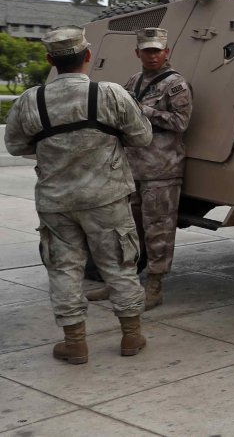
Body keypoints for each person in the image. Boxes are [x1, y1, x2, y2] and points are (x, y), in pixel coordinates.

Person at [4, 26, 153, 364]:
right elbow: (142, 137)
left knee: (64, 270)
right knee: (119, 265)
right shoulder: (111, 94)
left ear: (49, 60)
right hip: (107, 198)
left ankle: (75, 343)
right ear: (88, 56)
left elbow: (14, 145)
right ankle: (131, 335)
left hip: (56, 202)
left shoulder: (32, 99)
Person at [85, 27, 192, 309]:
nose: (152, 55)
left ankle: (154, 286)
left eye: (157, 50)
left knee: (158, 229)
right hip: (132, 168)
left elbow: (181, 122)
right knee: (127, 229)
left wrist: (144, 111)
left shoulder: (176, 84)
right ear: (138, 53)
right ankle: (121, 281)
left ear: (166, 52)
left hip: (161, 169)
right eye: (147, 51)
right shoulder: (134, 80)